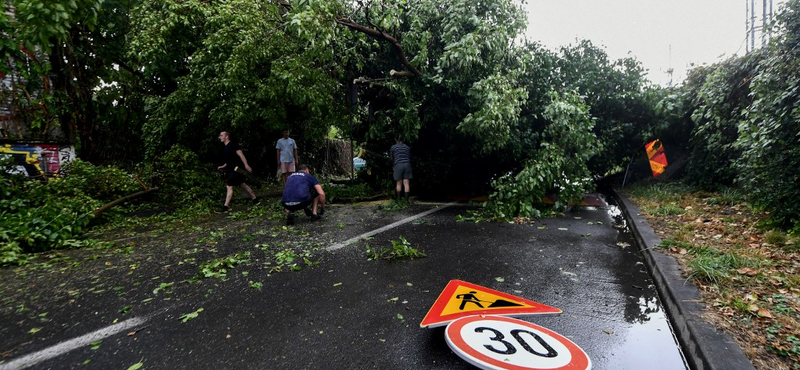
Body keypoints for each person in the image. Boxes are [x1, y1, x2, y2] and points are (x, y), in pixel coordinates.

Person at [216, 131, 259, 213]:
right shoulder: (225, 147)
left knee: (229, 185)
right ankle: (255, 200)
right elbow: (229, 160)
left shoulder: (233, 145)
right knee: (242, 185)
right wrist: (223, 166)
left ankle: (225, 207)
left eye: (221, 135)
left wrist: (246, 165)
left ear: (227, 136)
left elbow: (241, 155)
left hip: (237, 169)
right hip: (231, 169)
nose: (220, 137)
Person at [390, 137, 412, 202]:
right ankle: (406, 200)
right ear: (403, 140)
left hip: (398, 165)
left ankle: (399, 200)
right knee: (406, 183)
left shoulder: (393, 147)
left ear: (395, 139)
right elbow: (409, 156)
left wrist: (393, 162)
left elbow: (392, 158)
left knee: (399, 183)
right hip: (407, 165)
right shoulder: (407, 147)